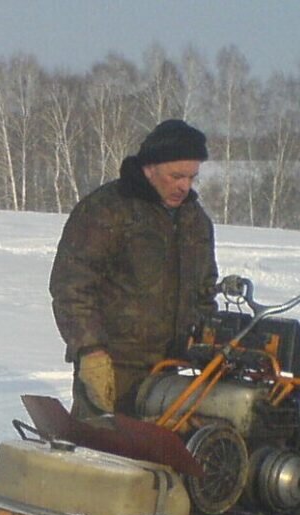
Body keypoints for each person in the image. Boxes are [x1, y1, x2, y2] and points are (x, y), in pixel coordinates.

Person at [49, 119, 219, 419]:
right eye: (176, 175)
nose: (184, 186)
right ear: (149, 168)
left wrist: (206, 342)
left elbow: (204, 289)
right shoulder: (108, 210)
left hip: (170, 373)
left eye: (192, 177)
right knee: (100, 455)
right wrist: (90, 352)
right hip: (113, 367)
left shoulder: (195, 221)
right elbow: (72, 287)